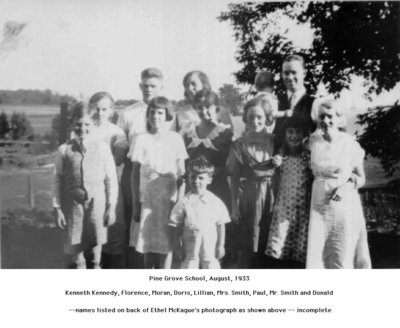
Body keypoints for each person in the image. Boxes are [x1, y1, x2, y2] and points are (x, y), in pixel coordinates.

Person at [306, 98, 371, 269]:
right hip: (319, 205)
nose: (326, 121)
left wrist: (346, 187)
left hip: (344, 203)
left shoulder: (349, 143)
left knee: (342, 251)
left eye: (330, 116)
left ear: (339, 117)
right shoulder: (312, 142)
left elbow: (361, 177)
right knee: (319, 255)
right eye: (321, 117)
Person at [52, 102, 118, 269]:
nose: (82, 128)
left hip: (97, 203)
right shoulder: (64, 150)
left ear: (94, 123)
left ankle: (96, 269)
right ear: (72, 124)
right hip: (73, 204)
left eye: (87, 124)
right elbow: (57, 180)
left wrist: (111, 207)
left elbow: (111, 179)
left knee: (96, 241)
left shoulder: (102, 148)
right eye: (78, 124)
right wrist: (57, 208)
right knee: (76, 245)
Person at [128, 96, 187, 269]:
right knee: (147, 244)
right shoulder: (141, 139)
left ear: (168, 115)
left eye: (160, 112)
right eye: (152, 112)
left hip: (169, 199)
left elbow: (181, 172)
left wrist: (180, 202)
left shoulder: (176, 139)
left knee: (166, 244)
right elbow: (134, 175)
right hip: (148, 200)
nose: (155, 116)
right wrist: (135, 204)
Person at [117, 67, 165, 268]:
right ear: (140, 86)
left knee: (159, 221)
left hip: (161, 174)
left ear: (161, 87)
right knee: (134, 218)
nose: (148, 89)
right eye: (145, 86)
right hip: (134, 171)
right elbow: (120, 144)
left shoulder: (168, 113)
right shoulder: (128, 113)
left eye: (153, 86)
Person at [181, 89, 235, 266]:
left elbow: (232, 168)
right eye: (199, 108)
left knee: (215, 238)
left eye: (208, 107)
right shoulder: (188, 133)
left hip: (217, 190)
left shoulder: (224, 133)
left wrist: (212, 173)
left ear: (217, 108)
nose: (204, 112)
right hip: (193, 190)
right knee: (193, 237)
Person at [227, 96, 281, 268]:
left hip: (274, 194)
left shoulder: (275, 140)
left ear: (266, 119)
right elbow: (234, 177)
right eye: (251, 117)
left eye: (259, 117)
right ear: (246, 119)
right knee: (251, 243)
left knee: (272, 242)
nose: (255, 121)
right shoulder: (239, 144)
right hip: (250, 197)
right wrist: (234, 206)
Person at [265, 117, 313, 269]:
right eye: (290, 132)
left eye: (298, 132)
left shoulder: (307, 156)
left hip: (302, 207)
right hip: (284, 206)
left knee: (300, 243)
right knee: (280, 241)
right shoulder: (281, 155)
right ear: (285, 134)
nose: (294, 136)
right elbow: (270, 176)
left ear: (305, 134)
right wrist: (274, 163)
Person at [88, 92, 129, 268]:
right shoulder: (84, 128)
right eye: (96, 108)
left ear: (111, 110)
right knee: (90, 228)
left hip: (111, 185)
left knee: (114, 228)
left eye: (104, 109)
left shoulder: (116, 132)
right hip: (88, 186)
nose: (100, 112)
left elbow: (117, 159)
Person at [169, 156, 230, 269]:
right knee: (190, 263)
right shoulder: (184, 201)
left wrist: (221, 245)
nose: (196, 181)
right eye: (193, 177)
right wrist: (177, 246)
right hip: (190, 242)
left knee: (210, 263)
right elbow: (176, 225)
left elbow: (221, 224)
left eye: (201, 178)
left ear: (209, 180)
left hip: (209, 240)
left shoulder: (214, 201)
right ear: (188, 178)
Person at [273, 54, 316, 144]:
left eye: (294, 72)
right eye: (286, 73)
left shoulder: (315, 104)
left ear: (304, 73)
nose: (290, 77)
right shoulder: (275, 102)